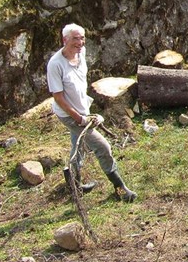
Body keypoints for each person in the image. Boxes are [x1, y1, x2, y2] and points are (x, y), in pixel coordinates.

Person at [47, 23, 137, 202]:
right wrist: (80, 118)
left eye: (82, 38)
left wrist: (86, 112)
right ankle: (120, 188)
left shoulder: (81, 54)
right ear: (65, 40)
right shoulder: (56, 65)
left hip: (83, 111)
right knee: (102, 146)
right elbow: (58, 97)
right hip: (69, 115)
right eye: (75, 39)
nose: (80, 42)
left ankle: (73, 186)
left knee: (78, 147)